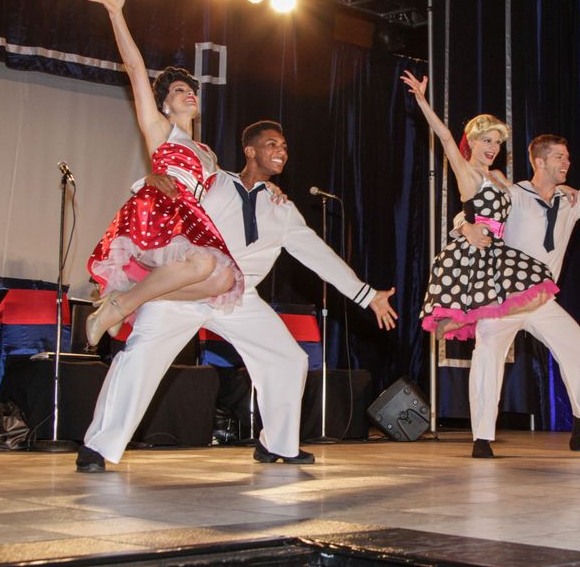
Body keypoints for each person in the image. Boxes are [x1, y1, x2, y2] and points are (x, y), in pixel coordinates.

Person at [76, 120, 398, 472]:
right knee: (140, 357)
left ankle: (277, 444)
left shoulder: (283, 209)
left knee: (288, 359)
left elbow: (319, 256)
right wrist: (147, 181)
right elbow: (175, 187)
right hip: (185, 292)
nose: (282, 152)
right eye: (273, 144)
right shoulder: (215, 183)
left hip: (240, 299)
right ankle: (98, 446)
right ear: (250, 150)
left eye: (285, 147)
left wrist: (367, 296)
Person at [458, 134, 580, 458]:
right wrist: (466, 228)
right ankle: (481, 440)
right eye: (560, 157)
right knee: (488, 358)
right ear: (540, 161)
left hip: (541, 300)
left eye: (567, 156)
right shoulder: (514, 195)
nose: (567, 163)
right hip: (502, 299)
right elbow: (471, 213)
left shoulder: (568, 202)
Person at [83, 0, 245, 347]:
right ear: (165, 105)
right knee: (204, 265)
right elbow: (136, 69)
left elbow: (232, 189)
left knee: (222, 281)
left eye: (191, 90)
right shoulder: (160, 129)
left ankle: (123, 303)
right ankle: (116, 308)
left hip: (192, 216)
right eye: (178, 91)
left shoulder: (208, 153)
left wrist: (272, 190)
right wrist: (115, 13)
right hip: (163, 210)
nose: (188, 94)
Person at [401, 72, 558, 340]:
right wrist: (422, 100)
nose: (494, 147)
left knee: (542, 286)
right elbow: (445, 137)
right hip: (474, 254)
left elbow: (525, 192)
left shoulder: (496, 176)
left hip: (497, 250)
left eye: (497, 142)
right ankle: (459, 320)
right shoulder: (467, 174)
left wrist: (557, 185)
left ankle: (467, 318)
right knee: (518, 301)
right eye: (487, 140)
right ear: (472, 141)